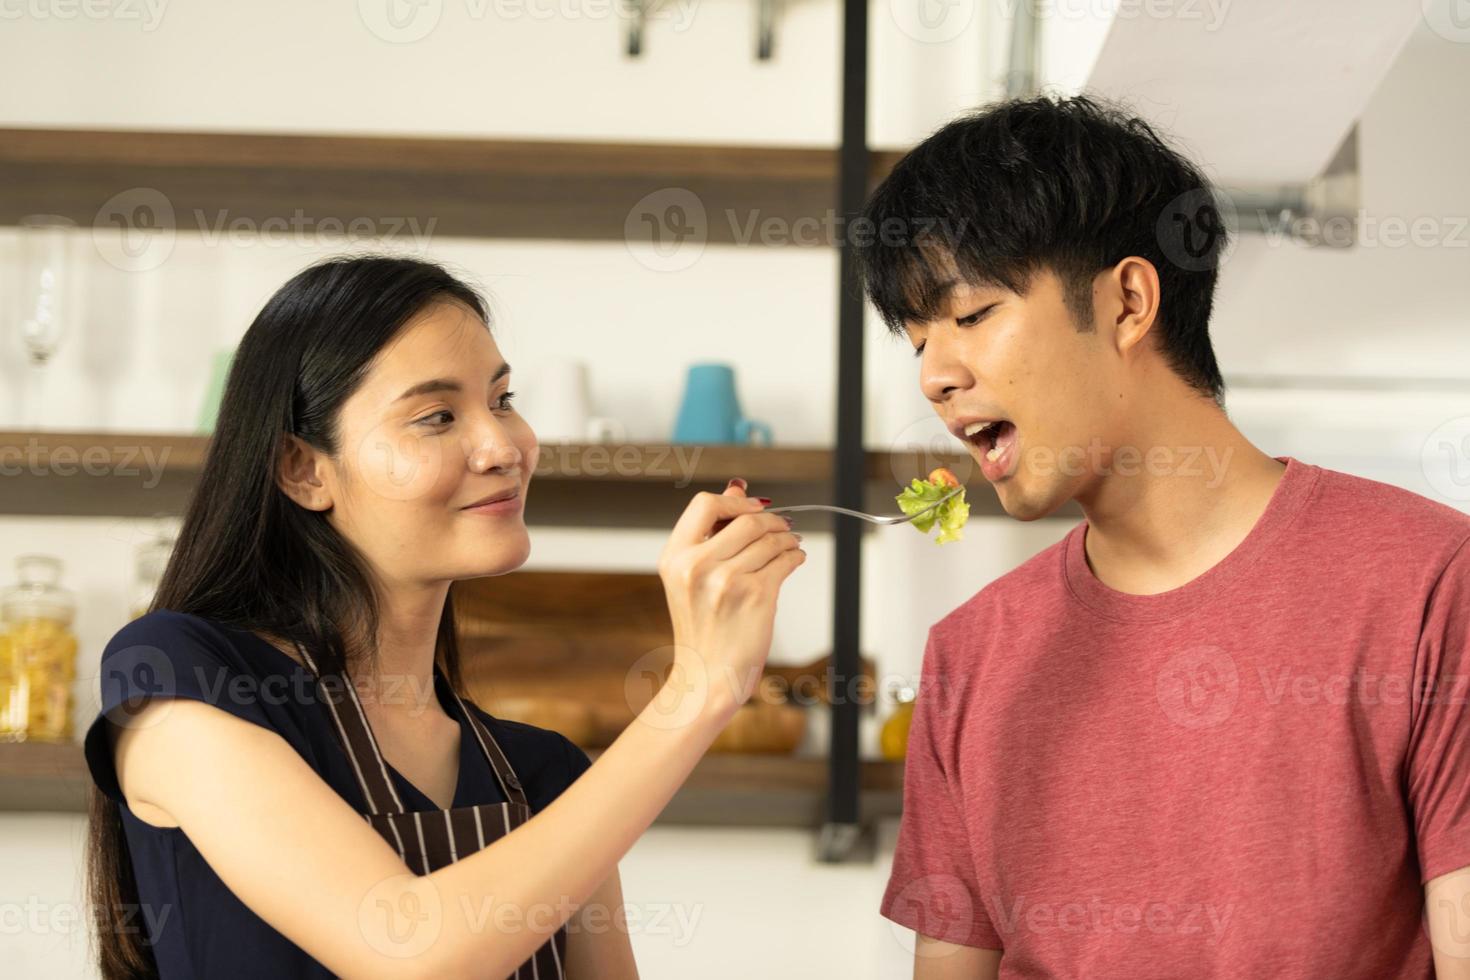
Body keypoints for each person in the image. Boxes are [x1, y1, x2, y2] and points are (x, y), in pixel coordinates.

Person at [857, 94, 1470, 978]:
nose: (936, 376)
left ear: (1129, 301)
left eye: (970, 317)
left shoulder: (1429, 586)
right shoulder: (972, 655)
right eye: (917, 342)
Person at [84, 255, 806, 979]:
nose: (504, 448)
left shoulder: (539, 771)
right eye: (436, 417)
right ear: (303, 469)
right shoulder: (182, 674)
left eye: (501, 399)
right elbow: (408, 951)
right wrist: (698, 691)